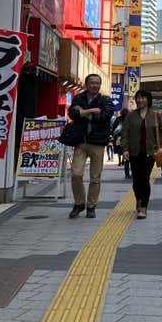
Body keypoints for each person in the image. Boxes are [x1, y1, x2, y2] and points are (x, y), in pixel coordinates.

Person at [67, 74, 115, 219]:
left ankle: (91, 206)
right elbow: (72, 113)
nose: (94, 85)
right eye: (92, 83)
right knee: (76, 174)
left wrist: (83, 112)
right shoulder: (79, 97)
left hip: (98, 143)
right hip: (81, 142)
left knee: (95, 177)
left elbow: (104, 116)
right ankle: (79, 203)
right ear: (86, 84)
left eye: (97, 83)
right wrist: (91, 111)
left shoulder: (105, 100)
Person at [120, 90, 162, 220]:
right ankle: (139, 199)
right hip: (134, 153)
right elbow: (125, 133)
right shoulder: (131, 116)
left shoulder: (156, 115)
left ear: (148, 99)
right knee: (136, 181)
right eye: (138, 98)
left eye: (143, 98)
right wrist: (125, 149)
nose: (140, 100)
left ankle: (143, 207)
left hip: (150, 153)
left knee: (145, 179)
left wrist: (160, 146)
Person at [112, 108, 129, 178]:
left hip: (119, 138)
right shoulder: (129, 119)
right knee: (128, 156)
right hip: (128, 139)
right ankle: (128, 174)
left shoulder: (118, 119)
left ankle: (126, 173)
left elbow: (113, 128)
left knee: (120, 152)